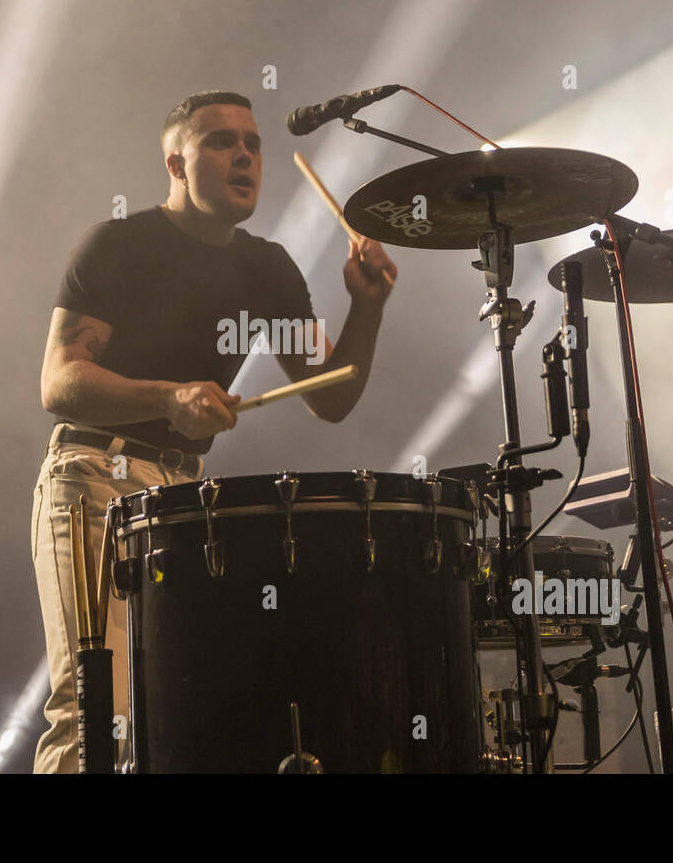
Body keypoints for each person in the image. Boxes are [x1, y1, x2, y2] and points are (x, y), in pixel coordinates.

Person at [30, 90, 397, 773]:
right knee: (96, 712)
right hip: (94, 477)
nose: (245, 155)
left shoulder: (268, 268)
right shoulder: (118, 245)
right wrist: (168, 398)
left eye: (253, 144)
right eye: (222, 142)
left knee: (182, 714)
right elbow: (59, 382)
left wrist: (365, 308)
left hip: (186, 496)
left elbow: (331, 396)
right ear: (175, 162)